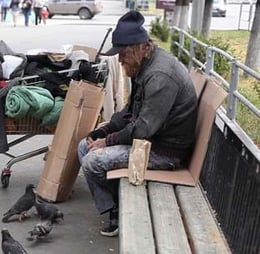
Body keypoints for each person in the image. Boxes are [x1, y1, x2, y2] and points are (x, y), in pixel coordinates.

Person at [78, 10, 198, 237]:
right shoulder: (143, 66)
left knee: (93, 161)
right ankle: (112, 207)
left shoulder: (159, 76)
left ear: (138, 49)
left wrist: (108, 141)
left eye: (122, 55)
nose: (120, 60)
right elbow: (129, 112)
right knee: (84, 146)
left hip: (164, 151)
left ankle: (118, 211)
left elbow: (143, 129)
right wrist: (103, 130)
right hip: (150, 140)